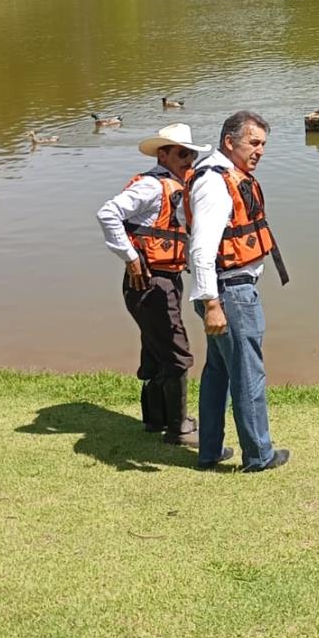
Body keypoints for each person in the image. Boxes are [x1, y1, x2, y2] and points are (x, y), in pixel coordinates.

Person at [186, 110, 290, 473]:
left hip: (226, 291)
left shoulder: (223, 176)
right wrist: (212, 304)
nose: (259, 151)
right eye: (253, 143)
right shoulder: (214, 184)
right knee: (248, 374)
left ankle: (209, 451)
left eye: (263, 144)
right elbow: (200, 249)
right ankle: (259, 455)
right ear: (229, 142)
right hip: (230, 294)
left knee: (218, 372)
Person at [95, 123, 209, 446]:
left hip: (161, 281)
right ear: (164, 155)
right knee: (177, 354)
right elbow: (108, 213)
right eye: (183, 154)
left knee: (156, 350)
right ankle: (179, 428)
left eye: (192, 155)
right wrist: (130, 257)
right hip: (150, 283)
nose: (189, 161)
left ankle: (155, 421)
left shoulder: (174, 186)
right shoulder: (151, 186)